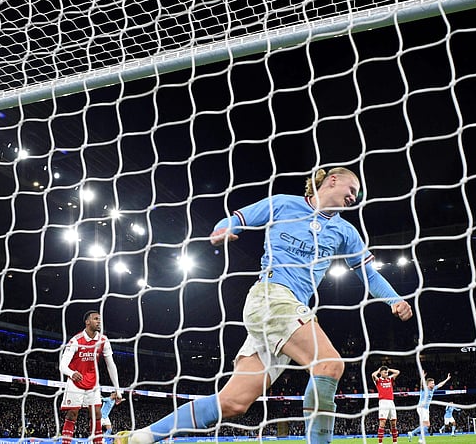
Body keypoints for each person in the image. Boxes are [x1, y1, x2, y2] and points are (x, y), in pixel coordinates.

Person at [118, 168, 414, 444]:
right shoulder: (284, 204)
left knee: (233, 403)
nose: (354, 197)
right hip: (271, 297)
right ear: (332, 180)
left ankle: (140, 438)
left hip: (282, 315)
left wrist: (395, 299)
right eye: (352, 189)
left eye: (356, 195)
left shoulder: (345, 232)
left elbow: (369, 274)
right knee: (330, 364)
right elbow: (238, 218)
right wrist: (223, 229)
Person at [59, 310, 123, 444]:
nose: (99, 321)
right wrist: (71, 373)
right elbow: (62, 365)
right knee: (72, 413)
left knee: (97, 413)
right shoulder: (76, 341)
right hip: (75, 382)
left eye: (100, 319)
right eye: (96, 319)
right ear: (87, 322)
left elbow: (111, 365)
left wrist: (117, 389)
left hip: (93, 383)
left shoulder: (103, 340)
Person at [408, 370, 451, 442]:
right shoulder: (424, 388)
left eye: (434, 383)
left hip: (426, 409)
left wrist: (446, 379)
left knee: (426, 425)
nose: (434, 384)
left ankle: (412, 434)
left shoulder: (433, 389)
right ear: (428, 384)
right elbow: (421, 384)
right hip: (422, 408)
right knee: (426, 424)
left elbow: (440, 385)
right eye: (432, 383)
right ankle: (420, 439)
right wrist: (422, 377)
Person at [372, 366, 400, 444]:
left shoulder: (389, 379)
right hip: (383, 402)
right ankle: (380, 442)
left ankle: (395, 442)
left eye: (387, 372)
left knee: (393, 423)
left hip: (391, 402)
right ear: (381, 373)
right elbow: (373, 375)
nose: (386, 373)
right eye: (384, 372)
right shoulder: (378, 380)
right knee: (382, 422)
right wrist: (378, 370)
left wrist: (389, 369)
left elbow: (397, 372)